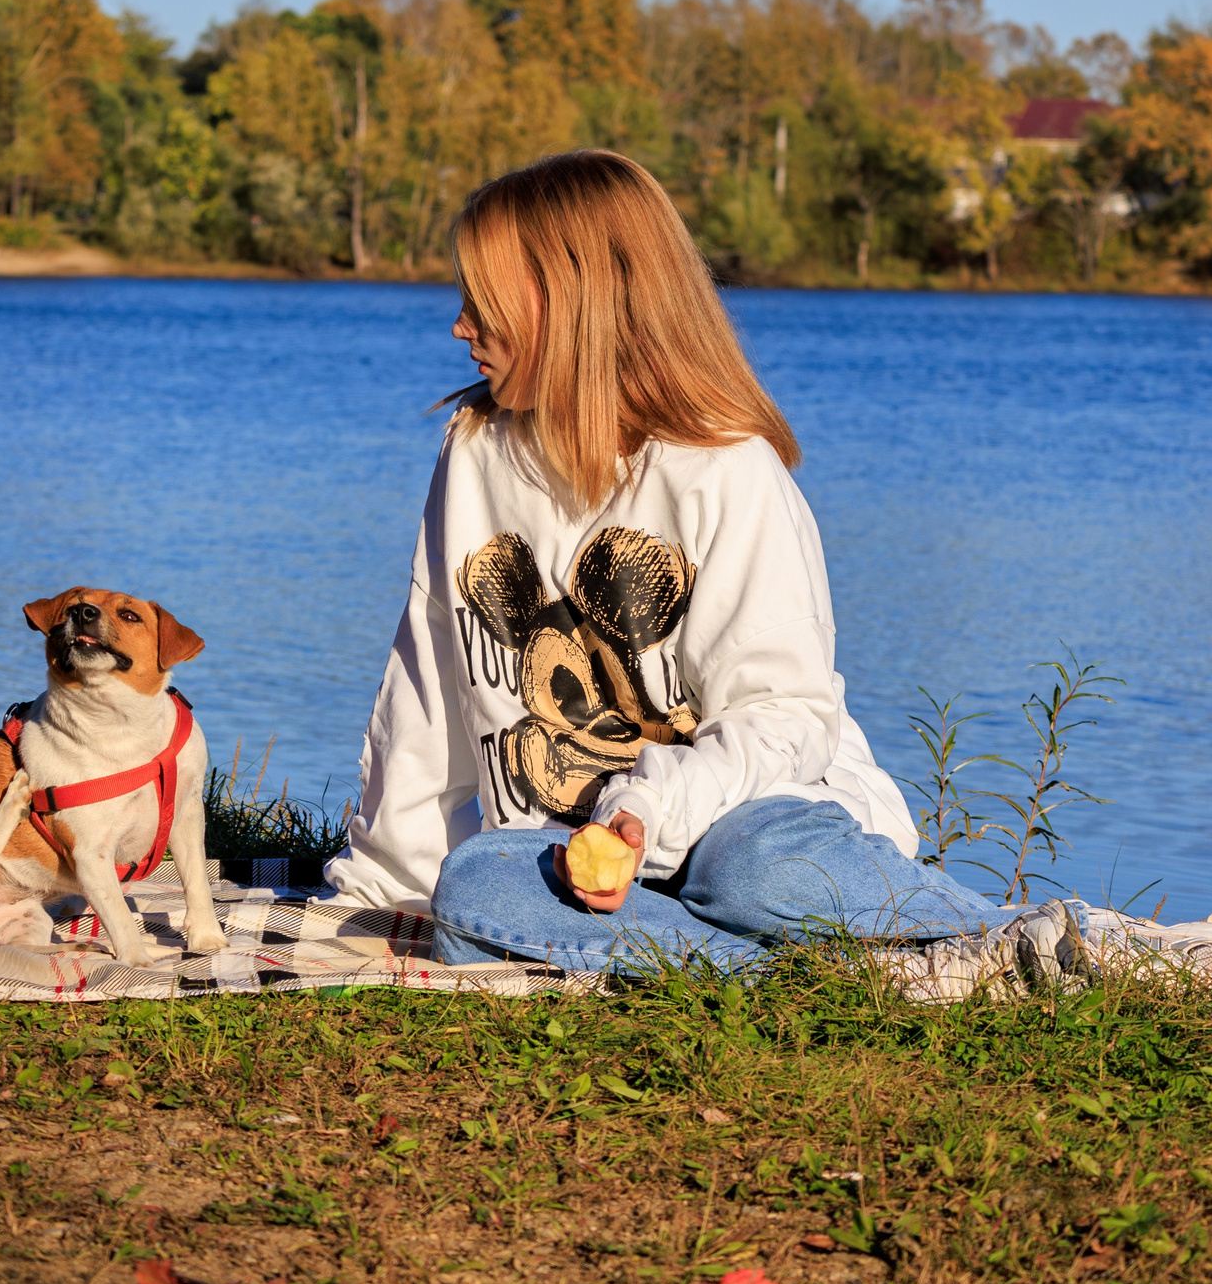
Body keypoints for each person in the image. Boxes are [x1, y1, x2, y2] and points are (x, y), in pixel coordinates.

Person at [320, 150, 1022, 974]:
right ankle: (801, 972)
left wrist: (646, 807)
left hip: (758, 822)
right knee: (474, 885)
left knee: (750, 871)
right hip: (587, 860)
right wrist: (381, 885)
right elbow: (429, 685)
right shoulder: (476, 451)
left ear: (574, 299)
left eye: (485, 298)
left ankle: (1018, 927)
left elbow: (785, 714)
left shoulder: (726, 469)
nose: (460, 324)